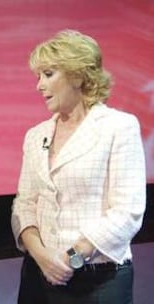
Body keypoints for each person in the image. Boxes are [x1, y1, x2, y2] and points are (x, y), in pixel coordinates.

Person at [11, 30, 146, 304]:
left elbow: (127, 211)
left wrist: (72, 257)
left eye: (48, 74)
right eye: (38, 76)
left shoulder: (118, 127)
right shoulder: (36, 135)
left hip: (100, 280)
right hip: (39, 275)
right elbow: (25, 204)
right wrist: (42, 257)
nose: (39, 85)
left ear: (78, 75)